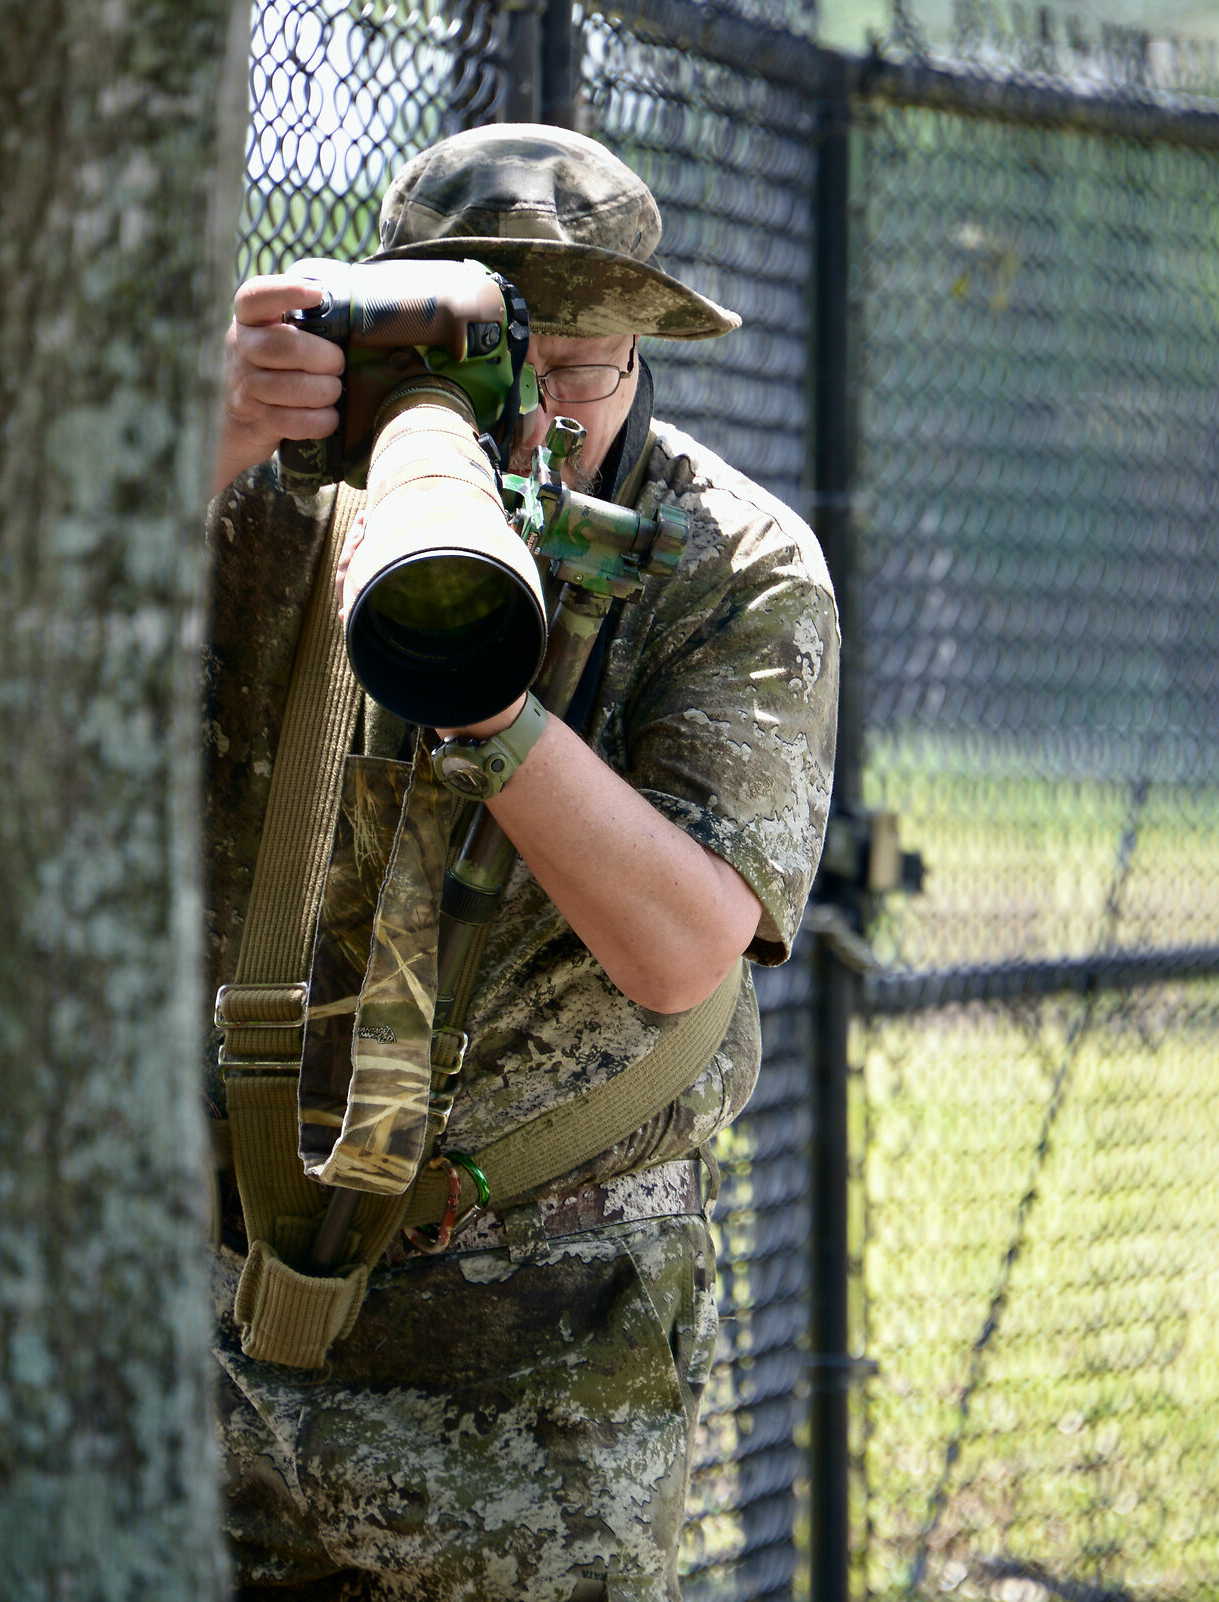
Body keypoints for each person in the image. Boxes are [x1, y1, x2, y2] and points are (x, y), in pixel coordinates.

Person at [199, 123, 840, 1601]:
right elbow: (21, 701)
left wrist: (491, 696)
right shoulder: (267, 501)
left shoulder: (729, 560)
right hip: (221, 1314)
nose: (532, 421)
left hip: (545, 1352)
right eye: (489, 354)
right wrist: (207, 440)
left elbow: (683, 949)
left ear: (643, 349)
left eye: (579, 367)